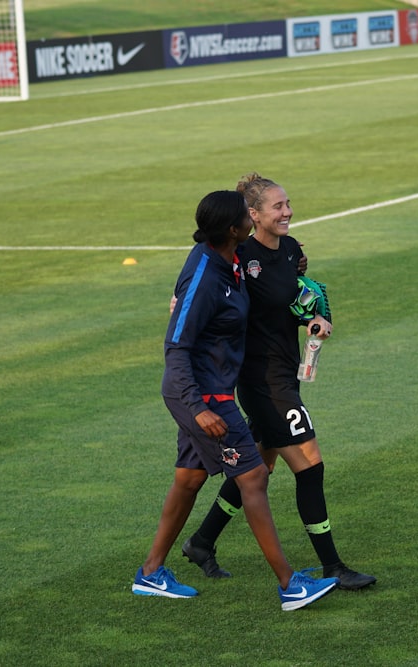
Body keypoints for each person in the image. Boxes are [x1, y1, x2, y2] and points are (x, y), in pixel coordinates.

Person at [132, 189, 340, 611]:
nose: (252, 219)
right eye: (247, 216)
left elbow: (266, 263)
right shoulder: (207, 276)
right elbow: (176, 349)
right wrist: (198, 408)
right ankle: (290, 585)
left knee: (189, 480)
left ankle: (151, 573)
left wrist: (295, 264)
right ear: (234, 229)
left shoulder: (232, 259)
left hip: (214, 391)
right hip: (204, 397)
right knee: (253, 478)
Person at [180, 174, 377, 590]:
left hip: (286, 372)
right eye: (277, 207)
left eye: (288, 204)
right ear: (252, 215)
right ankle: (333, 567)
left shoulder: (290, 251)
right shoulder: (238, 256)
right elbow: (202, 285)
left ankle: (201, 542)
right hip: (262, 381)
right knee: (310, 466)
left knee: (258, 469)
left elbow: (291, 300)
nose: (287, 212)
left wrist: (313, 320)